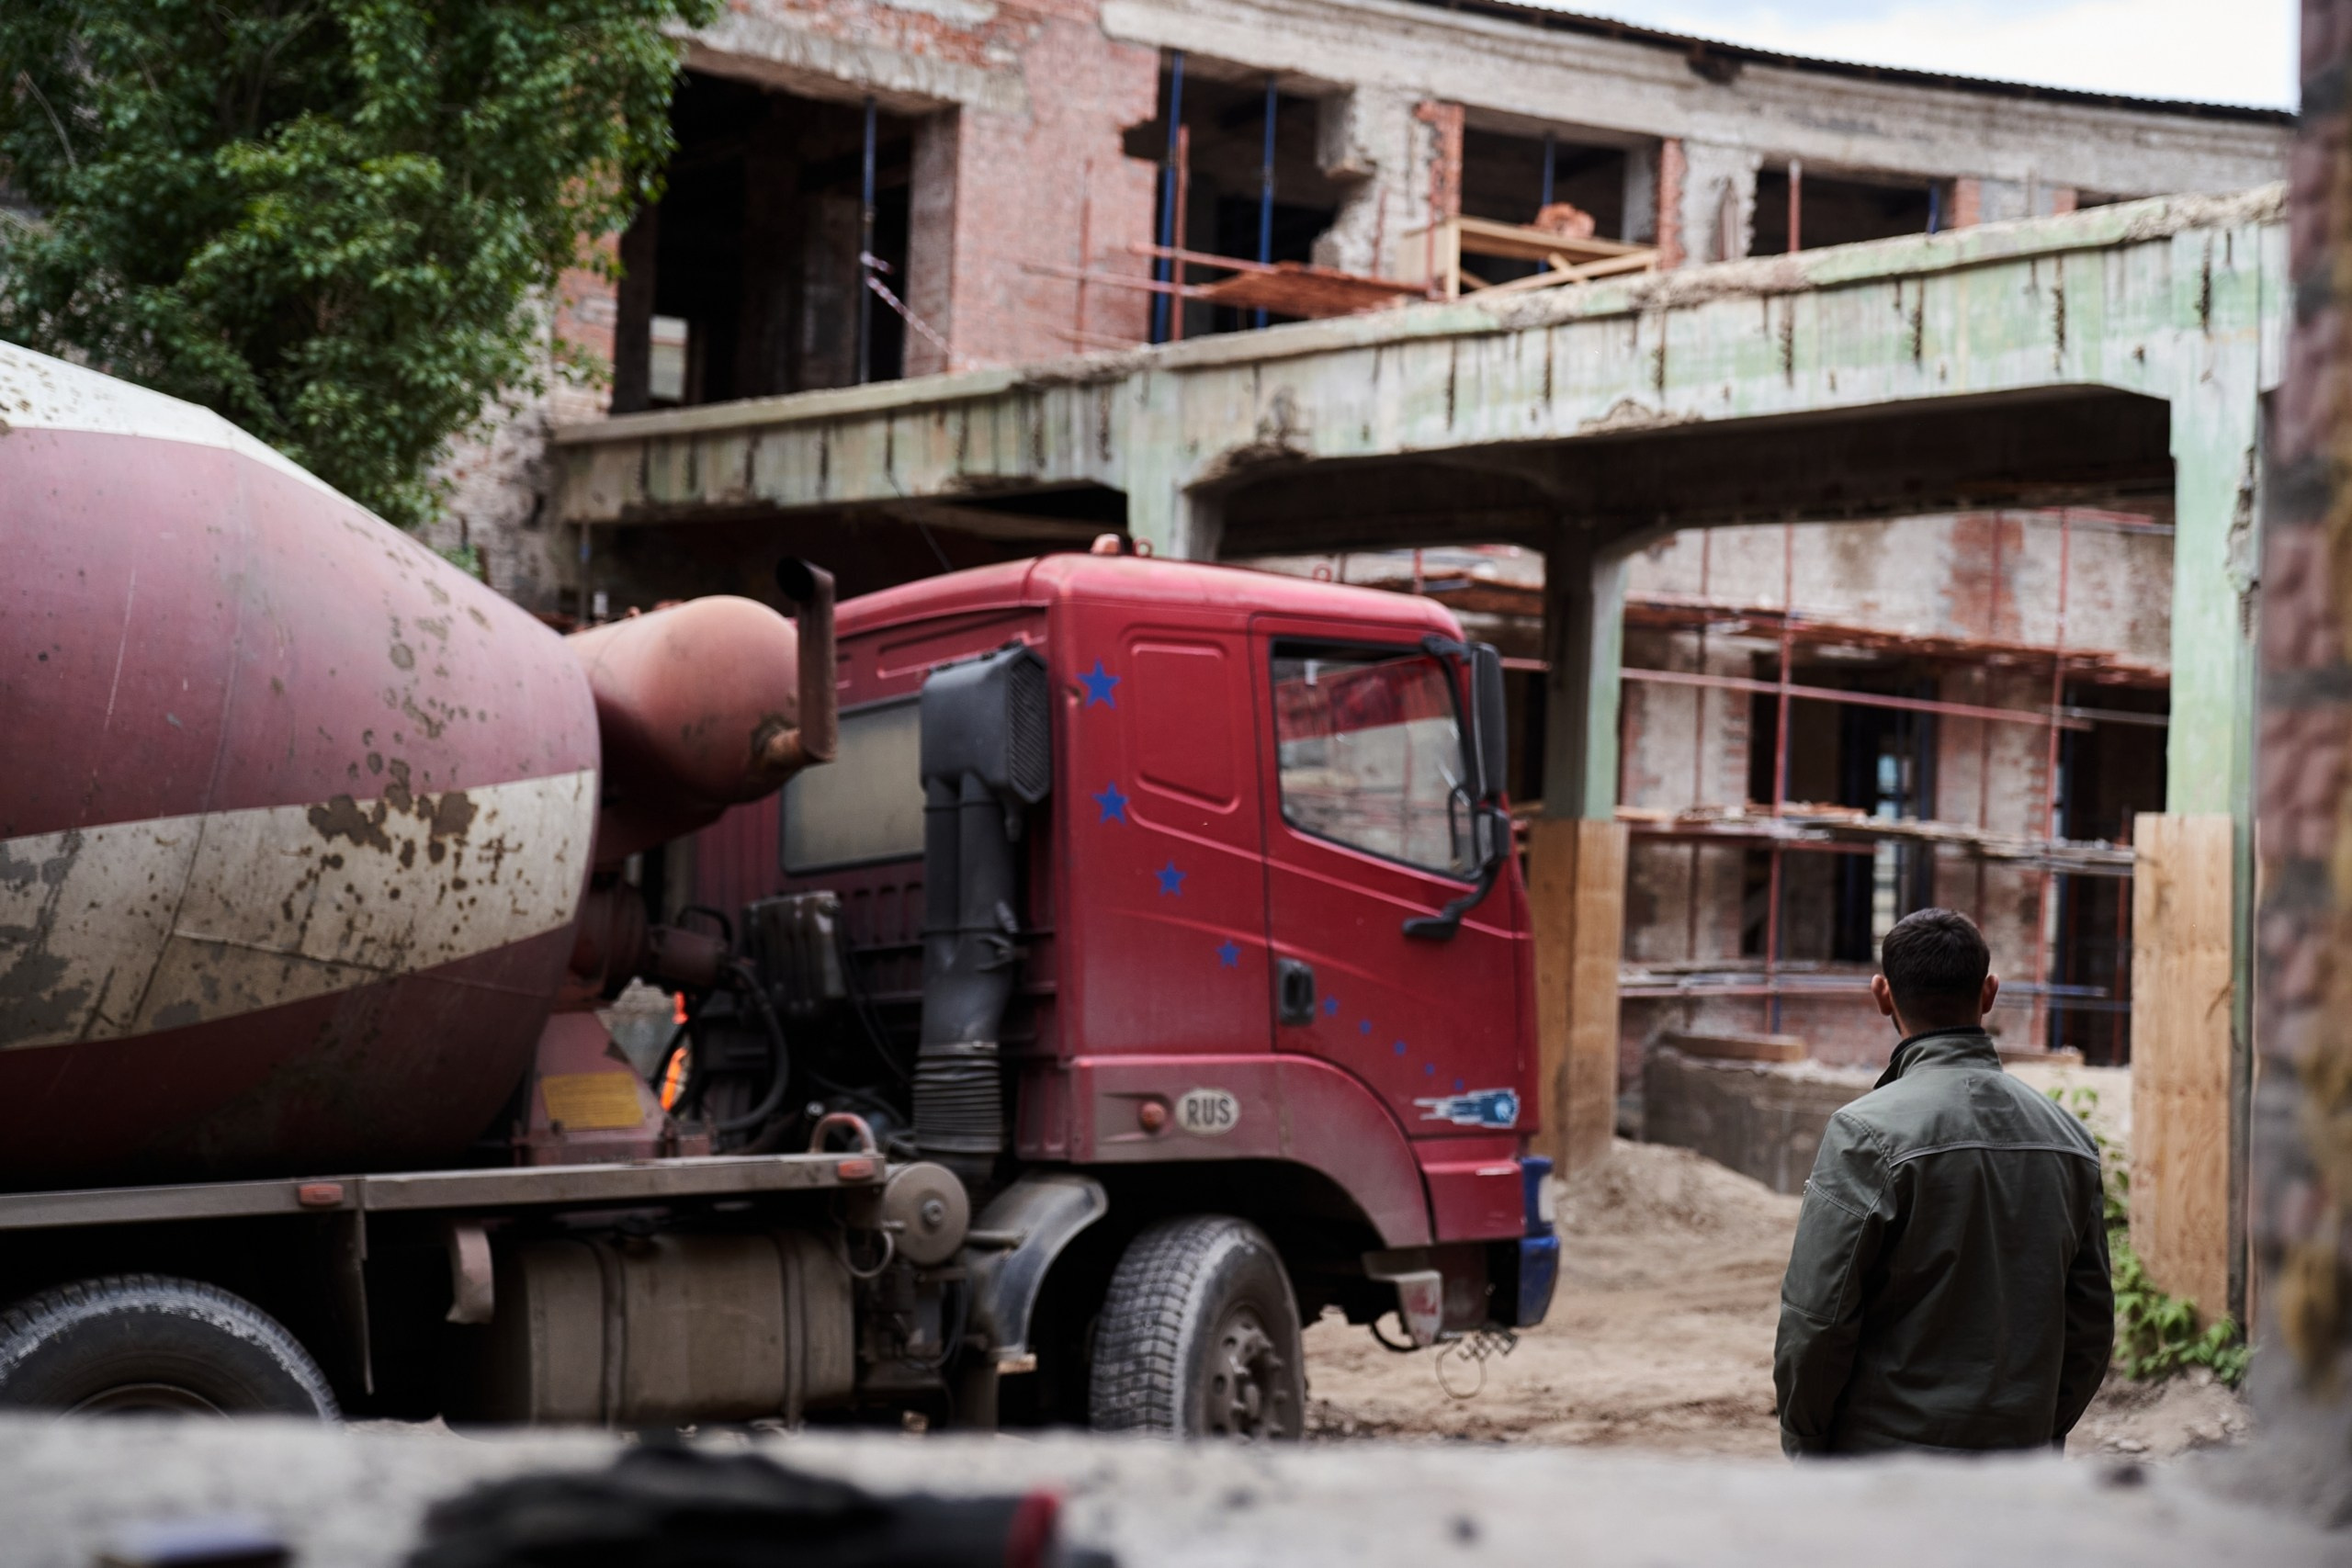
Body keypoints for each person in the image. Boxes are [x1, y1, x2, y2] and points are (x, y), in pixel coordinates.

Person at [1773, 908, 2114, 1457]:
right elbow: (2091, 1323)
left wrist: (1807, 1441)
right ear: (1989, 992)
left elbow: (1818, 1318)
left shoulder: (1865, 1133)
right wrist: (2037, 1431)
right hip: (2020, 1463)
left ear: (1882, 994)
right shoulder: (2068, 1138)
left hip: (1889, 1463)